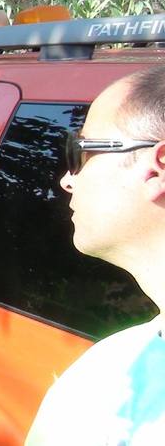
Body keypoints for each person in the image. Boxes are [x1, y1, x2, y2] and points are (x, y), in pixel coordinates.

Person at [25, 68, 165, 444]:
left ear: (159, 168)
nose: (67, 179)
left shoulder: (102, 386)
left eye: (80, 153)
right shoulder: (116, 364)